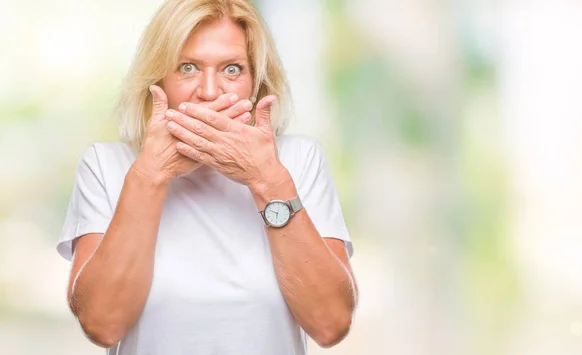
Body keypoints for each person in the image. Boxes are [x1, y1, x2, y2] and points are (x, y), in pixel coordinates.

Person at [57, 0, 357, 354]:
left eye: (232, 69)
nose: (210, 92)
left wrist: (267, 181)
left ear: (256, 84)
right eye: (188, 67)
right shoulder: (107, 165)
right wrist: (151, 175)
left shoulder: (297, 160)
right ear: (158, 81)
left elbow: (331, 324)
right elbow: (102, 325)